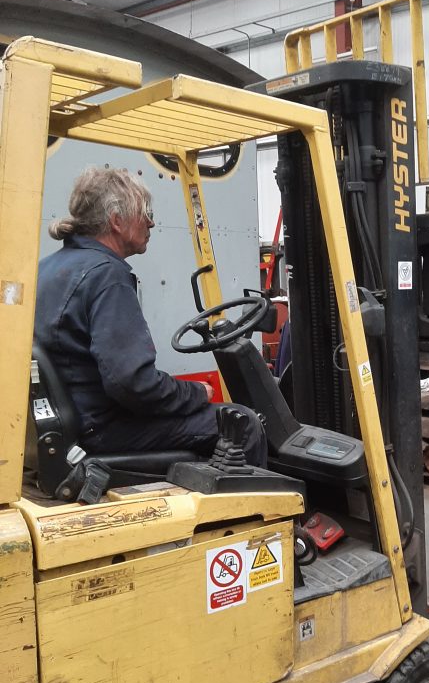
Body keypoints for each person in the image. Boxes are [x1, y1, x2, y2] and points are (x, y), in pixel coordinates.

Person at [34, 167, 266, 469]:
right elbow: (132, 384)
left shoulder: (48, 268)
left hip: (72, 421)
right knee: (243, 423)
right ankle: (255, 515)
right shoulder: (107, 275)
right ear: (117, 221)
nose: (151, 222)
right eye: (145, 212)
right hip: (102, 429)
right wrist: (196, 392)